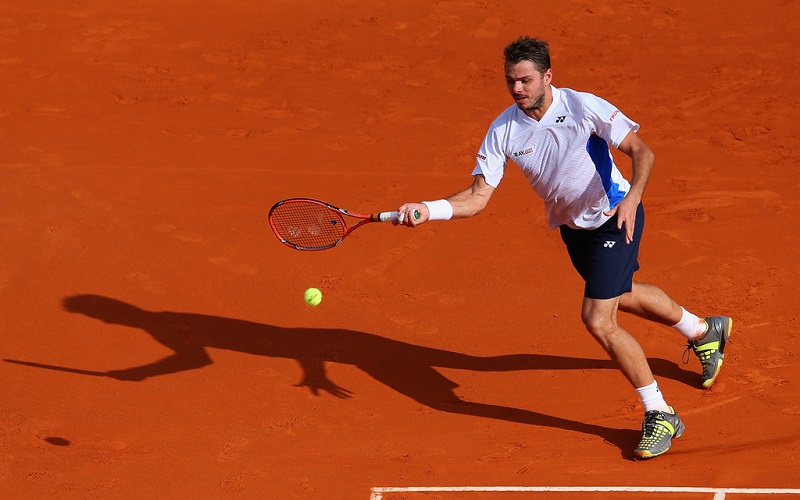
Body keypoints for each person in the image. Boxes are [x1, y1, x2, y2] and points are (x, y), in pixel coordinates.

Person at [396, 36, 732, 459]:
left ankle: (659, 412)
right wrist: (430, 209)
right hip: (574, 228)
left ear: (547, 76)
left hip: (616, 214)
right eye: (510, 82)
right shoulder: (503, 129)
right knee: (620, 295)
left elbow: (641, 151)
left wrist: (633, 198)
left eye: (525, 80)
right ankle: (703, 331)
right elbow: (478, 196)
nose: (517, 90)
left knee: (597, 317)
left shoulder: (581, 106)